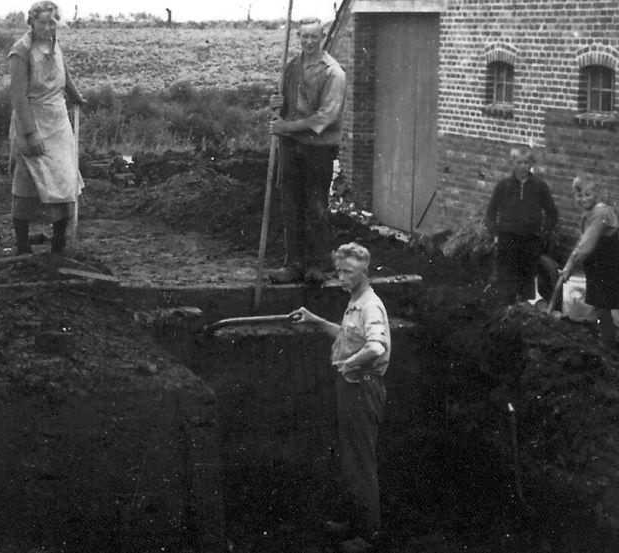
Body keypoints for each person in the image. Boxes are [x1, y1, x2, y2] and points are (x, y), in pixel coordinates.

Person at [289, 242, 390, 551]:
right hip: (350, 385)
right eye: (339, 271)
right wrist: (316, 321)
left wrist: (351, 362)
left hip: (363, 386)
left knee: (360, 461)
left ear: (364, 272)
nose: (342, 277)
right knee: (350, 458)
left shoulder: (370, 305)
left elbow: (377, 347)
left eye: (349, 272)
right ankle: (354, 522)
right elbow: (348, 335)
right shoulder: (355, 301)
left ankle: (368, 535)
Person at [267, 18, 347, 285]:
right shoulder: (290, 68)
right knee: (290, 206)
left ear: (322, 37)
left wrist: (286, 127)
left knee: (317, 208)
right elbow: (285, 107)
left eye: (314, 37)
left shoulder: (333, 73)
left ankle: (318, 266)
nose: (309, 42)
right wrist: (276, 103)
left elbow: (323, 119)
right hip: (291, 148)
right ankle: (294, 265)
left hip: (318, 151)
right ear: (299, 37)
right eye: (305, 37)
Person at [9, 1, 84, 255]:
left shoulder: (54, 42)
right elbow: (18, 97)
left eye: (52, 22)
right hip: (32, 118)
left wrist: (74, 94)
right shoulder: (21, 51)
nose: (48, 27)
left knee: (64, 177)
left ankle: (59, 242)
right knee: (28, 181)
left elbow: (63, 72)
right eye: (43, 22)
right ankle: (22, 246)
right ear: (32, 22)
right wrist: (30, 133)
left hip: (58, 120)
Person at [484, 146, 558, 303]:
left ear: (531, 163)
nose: (523, 166)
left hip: (530, 241)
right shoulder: (503, 186)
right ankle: (506, 314)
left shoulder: (539, 187)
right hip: (507, 241)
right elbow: (490, 213)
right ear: (512, 164)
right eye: (519, 162)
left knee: (526, 285)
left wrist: (543, 234)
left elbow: (552, 213)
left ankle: (522, 316)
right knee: (506, 284)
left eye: (526, 162)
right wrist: (495, 234)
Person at [557, 174, 619, 349]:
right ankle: (600, 342)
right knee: (598, 306)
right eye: (579, 196)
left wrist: (569, 266)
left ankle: (608, 347)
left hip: (607, 268)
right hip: (596, 267)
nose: (583, 199)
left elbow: (585, 246)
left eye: (588, 194)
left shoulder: (602, 212)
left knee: (603, 308)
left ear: (597, 193)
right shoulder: (590, 213)